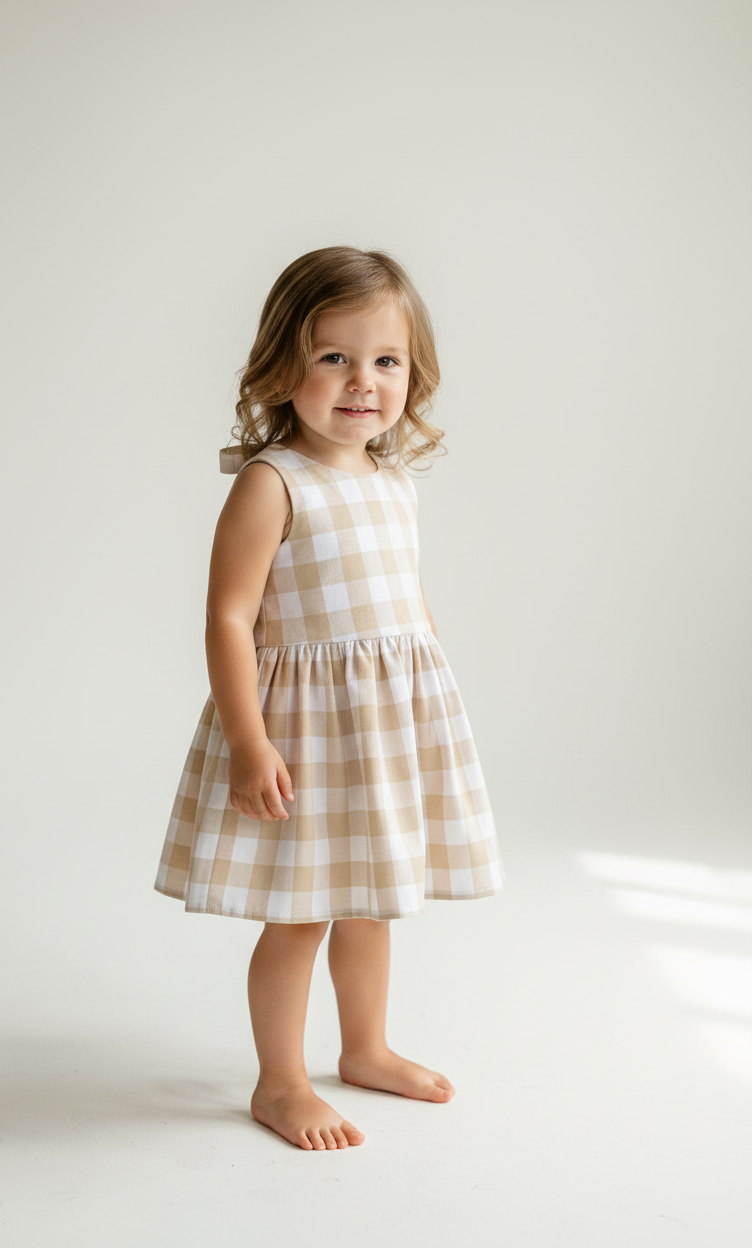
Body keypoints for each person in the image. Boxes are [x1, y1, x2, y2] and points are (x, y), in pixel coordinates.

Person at [154, 245, 506, 1151]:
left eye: (385, 361)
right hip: (304, 731)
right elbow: (229, 619)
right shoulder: (273, 482)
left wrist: (431, 694)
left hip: (383, 728)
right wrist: (248, 740)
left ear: (411, 375)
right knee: (302, 909)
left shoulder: (392, 482)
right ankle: (280, 1082)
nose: (362, 382)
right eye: (334, 357)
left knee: (372, 900)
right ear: (284, 365)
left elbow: (405, 602)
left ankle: (367, 1047)